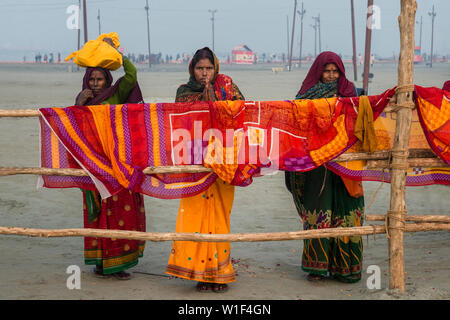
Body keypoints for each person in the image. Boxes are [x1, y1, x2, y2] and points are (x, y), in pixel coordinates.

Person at [166, 47, 244, 293]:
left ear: (216, 68)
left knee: (220, 216)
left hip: (224, 161)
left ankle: (220, 274)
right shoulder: (184, 91)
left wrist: (218, 105)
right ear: (192, 69)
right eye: (200, 68)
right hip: (195, 161)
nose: (204, 73)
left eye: (209, 68)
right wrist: (202, 103)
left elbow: (243, 114)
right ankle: (199, 273)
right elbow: (180, 121)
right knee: (194, 216)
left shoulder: (228, 87)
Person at [286, 51, 364, 283]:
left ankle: (346, 268)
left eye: (334, 71)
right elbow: (296, 125)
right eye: (326, 71)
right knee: (318, 211)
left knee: (347, 212)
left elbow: (360, 123)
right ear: (318, 73)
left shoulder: (351, 94)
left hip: (346, 162)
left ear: (341, 72)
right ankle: (316, 268)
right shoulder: (305, 97)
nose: (330, 76)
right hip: (318, 164)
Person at [75, 38, 146, 280]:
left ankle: (119, 264)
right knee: (97, 214)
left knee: (119, 213)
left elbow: (132, 73)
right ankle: (100, 262)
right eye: (92, 80)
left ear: (108, 80)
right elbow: (72, 129)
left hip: (117, 165)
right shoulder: (82, 98)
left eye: (100, 79)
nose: (96, 84)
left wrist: (117, 52)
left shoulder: (116, 94)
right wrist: (79, 104)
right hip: (93, 167)